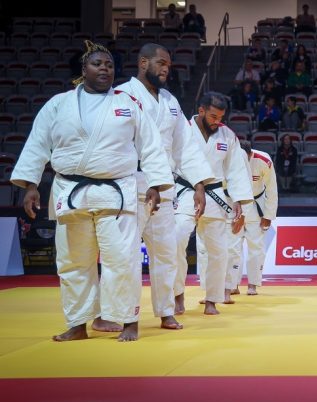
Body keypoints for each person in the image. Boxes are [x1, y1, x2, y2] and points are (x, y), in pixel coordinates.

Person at [10, 40, 174, 342]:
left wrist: (155, 182)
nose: (104, 69)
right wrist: (31, 185)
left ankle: (128, 321)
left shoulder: (127, 104)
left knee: (122, 259)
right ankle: (78, 323)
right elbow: (37, 144)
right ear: (83, 69)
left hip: (117, 192)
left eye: (109, 65)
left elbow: (150, 146)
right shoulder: (59, 104)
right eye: (98, 64)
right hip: (71, 190)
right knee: (74, 261)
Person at [110, 43, 214, 332]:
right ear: (143, 63)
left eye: (169, 64)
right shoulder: (121, 96)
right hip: (129, 183)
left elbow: (185, 147)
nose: (166, 68)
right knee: (123, 254)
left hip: (164, 186)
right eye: (160, 63)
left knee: (167, 252)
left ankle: (166, 310)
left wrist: (199, 184)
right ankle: (115, 313)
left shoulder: (170, 101)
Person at [173, 92, 253, 316]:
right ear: (201, 111)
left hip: (216, 194)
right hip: (186, 190)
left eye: (221, 117)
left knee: (219, 250)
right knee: (178, 239)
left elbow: (237, 170)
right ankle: (177, 294)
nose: (217, 121)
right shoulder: (182, 130)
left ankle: (212, 299)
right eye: (213, 116)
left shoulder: (228, 136)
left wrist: (239, 203)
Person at [226, 147, 278, 298]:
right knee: (232, 247)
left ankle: (252, 284)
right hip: (235, 205)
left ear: (249, 154)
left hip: (256, 205)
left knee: (256, 246)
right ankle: (232, 284)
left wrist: (268, 215)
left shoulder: (263, 160)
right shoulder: (228, 159)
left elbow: (272, 188)